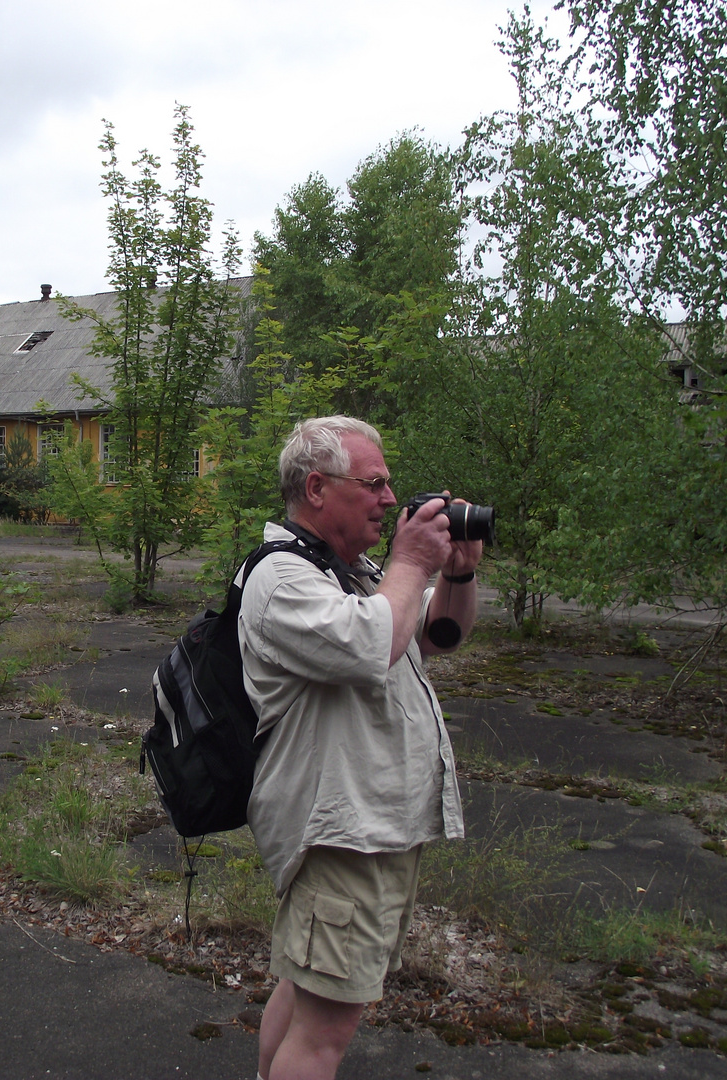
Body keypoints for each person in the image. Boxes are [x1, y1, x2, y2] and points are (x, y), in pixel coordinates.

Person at [238, 416, 483, 1080]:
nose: (389, 499)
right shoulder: (282, 579)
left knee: (303, 994)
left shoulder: (346, 572)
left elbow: (436, 635)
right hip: (342, 833)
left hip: (370, 829)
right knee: (326, 1033)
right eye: (374, 484)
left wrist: (455, 575)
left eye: (390, 485)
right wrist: (411, 561)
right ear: (317, 488)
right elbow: (373, 644)